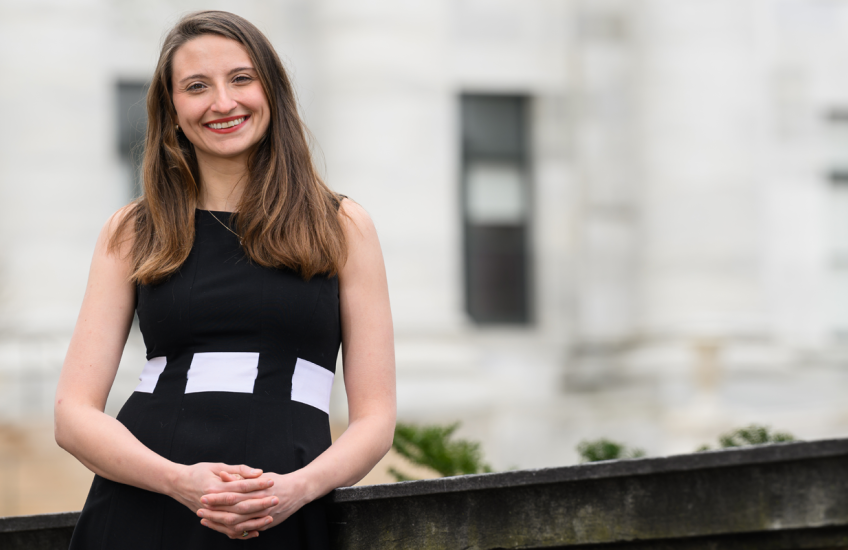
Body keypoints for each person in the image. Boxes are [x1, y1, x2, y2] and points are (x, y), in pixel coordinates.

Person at [54, 10, 396, 549]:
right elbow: (72, 416)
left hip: (282, 512)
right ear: (171, 112)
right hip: (146, 510)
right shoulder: (133, 229)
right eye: (196, 87)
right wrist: (179, 482)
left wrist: (298, 490)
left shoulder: (343, 225)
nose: (223, 102)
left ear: (273, 92)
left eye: (241, 79)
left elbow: (375, 420)